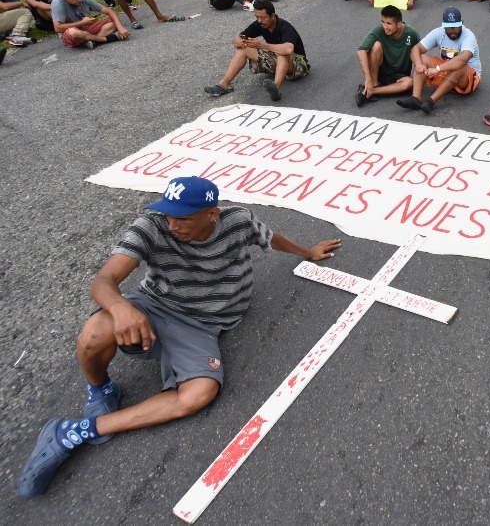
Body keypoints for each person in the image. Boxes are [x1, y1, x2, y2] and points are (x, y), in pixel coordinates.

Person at [16, 177, 342, 499]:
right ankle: (100, 389)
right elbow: (104, 280)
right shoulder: (152, 226)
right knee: (95, 331)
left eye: (183, 218)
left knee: (198, 395)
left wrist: (307, 252)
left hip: (202, 325)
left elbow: (270, 238)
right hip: (154, 305)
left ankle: (73, 432)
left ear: (212, 214)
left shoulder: (238, 220)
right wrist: (121, 308)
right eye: (168, 214)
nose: (172, 225)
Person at [203, 0, 309, 101]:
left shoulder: (285, 27)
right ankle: (225, 84)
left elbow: (288, 49)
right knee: (243, 49)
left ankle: (275, 87)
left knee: (282, 52)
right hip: (277, 61)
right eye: (257, 17)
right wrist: (239, 42)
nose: (259, 21)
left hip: (298, 65)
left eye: (263, 17)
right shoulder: (259, 24)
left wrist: (262, 45)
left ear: (272, 16)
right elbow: (237, 38)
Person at [396, 6, 480, 115]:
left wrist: (437, 69)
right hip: (447, 73)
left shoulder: (468, 36)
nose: (452, 30)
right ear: (443, 26)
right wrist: (418, 64)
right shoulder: (439, 32)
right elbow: (415, 49)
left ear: (461, 24)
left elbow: (463, 59)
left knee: (460, 65)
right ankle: (415, 98)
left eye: (455, 27)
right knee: (421, 58)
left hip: (467, 78)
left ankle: (431, 101)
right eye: (449, 27)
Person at [355, 4, 421, 106]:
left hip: (400, 75)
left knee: (410, 83)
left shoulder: (411, 34)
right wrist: (367, 78)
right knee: (376, 46)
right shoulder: (379, 30)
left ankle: (372, 91)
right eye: (383, 22)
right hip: (381, 71)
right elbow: (361, 50)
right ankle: (374, 83)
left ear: (399, 24)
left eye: (389, 23)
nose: (385, 27)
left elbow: (419, 54)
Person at [50, 0, 129, 49]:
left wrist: (120, 28)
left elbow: (109, 11)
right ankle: (106, 39)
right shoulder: (58, 4)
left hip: (87, 29)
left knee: (114, 22)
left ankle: (92, 41)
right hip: (72, 35)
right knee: (73, 32)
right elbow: (58, 28)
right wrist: (81, 23)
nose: (79, 0)